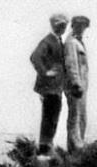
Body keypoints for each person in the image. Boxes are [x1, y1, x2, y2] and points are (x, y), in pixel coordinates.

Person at [30, 13, 69, 156]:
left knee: (54, 114)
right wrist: (45, 72)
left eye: (64, 26)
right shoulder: (48, 41)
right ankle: (44, 147)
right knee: (49, 115)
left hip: (56, 87)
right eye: (60, 26)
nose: (62, 28)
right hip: (49, 87)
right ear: (53, 26)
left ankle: (47, 144)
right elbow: (35, 57)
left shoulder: (58, 41)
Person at [64, 15, 90, 152]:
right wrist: (76, 83)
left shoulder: (78, 42)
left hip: (82, 87)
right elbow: (71, 64)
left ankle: (78, 147)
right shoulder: (71, 42)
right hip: (76, 87)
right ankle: (75, 149)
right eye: (79, 26)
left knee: (81, 118)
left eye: (83, 27)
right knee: (75, 118)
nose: (81, 29)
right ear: (73, 26)